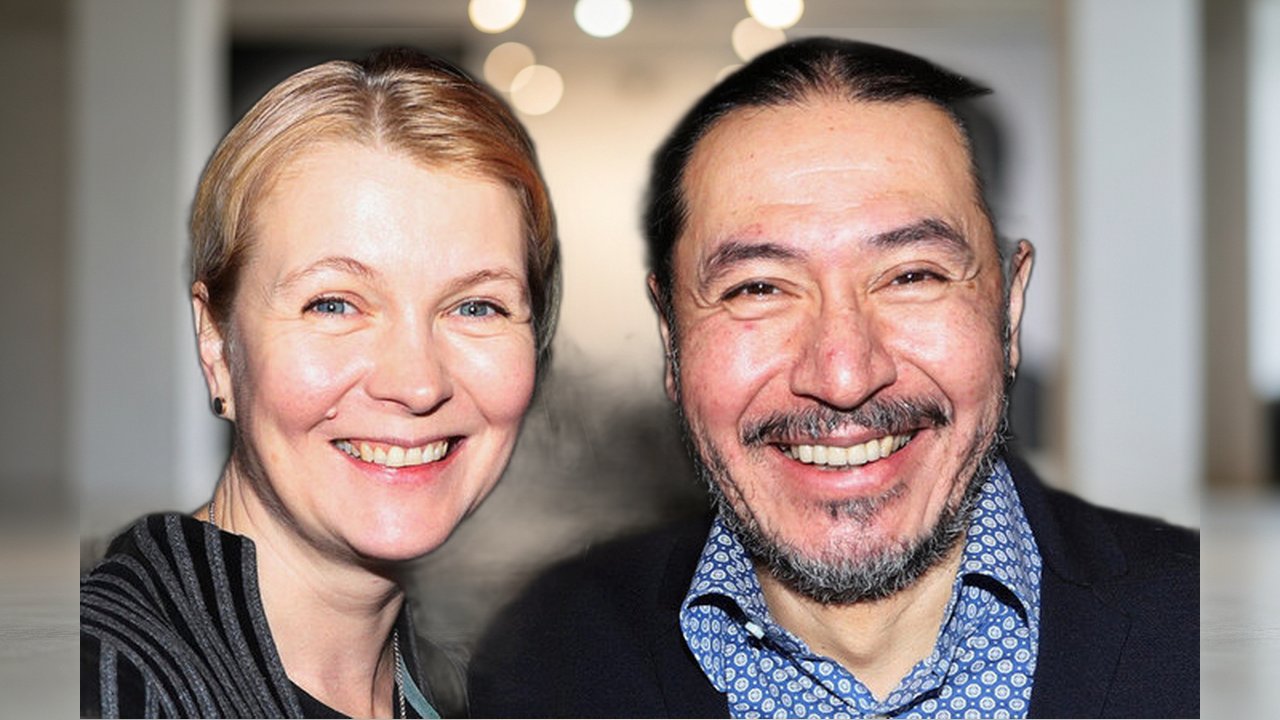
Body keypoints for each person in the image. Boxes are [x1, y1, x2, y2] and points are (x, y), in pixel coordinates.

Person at [468, 37, 1197, 718]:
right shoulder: (539, 668)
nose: (844, 376)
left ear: (1007, 310)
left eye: (912, 275)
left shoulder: (1201, 633)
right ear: (672, 337)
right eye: (758, 288)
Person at [80, 47, 559, 719]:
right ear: (216, 342)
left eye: (476, 307)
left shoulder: (471, 692)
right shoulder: (104, 686)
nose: (417, 384)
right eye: (333, 304)